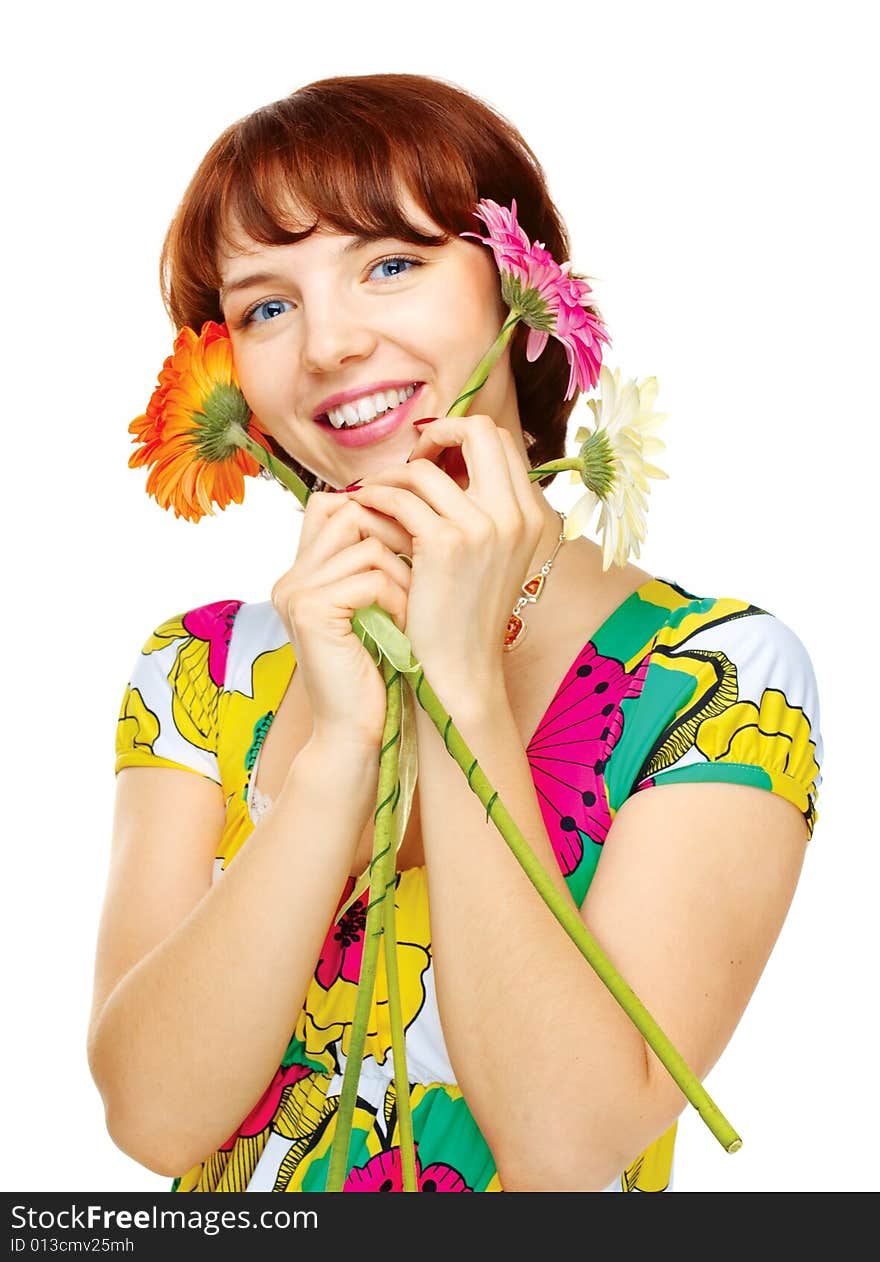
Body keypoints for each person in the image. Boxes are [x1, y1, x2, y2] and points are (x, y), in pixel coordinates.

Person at [87, 74, 823, 1194]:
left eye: (390, 262)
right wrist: (338, 744)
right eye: (264, 307)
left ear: (519, 288)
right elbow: (150, 1119)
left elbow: (563, 1150)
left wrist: (460, 684)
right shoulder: (201, 667)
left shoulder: (717, 676)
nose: (329, 342)